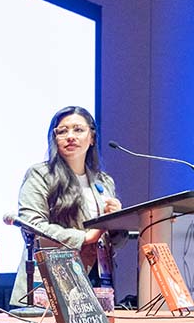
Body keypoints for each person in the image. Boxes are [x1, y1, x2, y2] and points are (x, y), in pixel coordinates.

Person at [10, 105, 123, 306]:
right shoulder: (41, 175)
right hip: (50, 283)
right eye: (62, 131)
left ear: (92, 137)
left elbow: (110, 241)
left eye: (78, 130)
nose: (70, 136)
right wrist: (84, 237)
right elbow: (31, 225)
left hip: (95, 282)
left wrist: (116, 222)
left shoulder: (104, 181)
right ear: (54, 139)